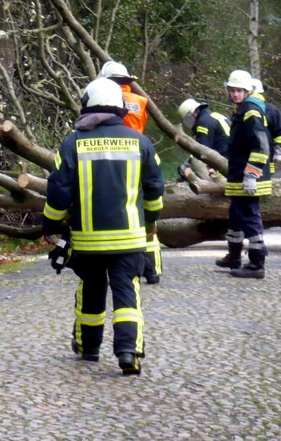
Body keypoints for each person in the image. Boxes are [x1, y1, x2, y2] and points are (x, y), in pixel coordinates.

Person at [43, 77, 164, 375]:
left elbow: (58, 190)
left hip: (88, 242)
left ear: (88, 105)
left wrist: (51, 224)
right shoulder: (141, 141)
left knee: (92, 292)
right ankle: (128, 352)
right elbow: (155, 190)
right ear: (120, 108)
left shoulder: (73, 142)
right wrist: (150, 224)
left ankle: (89, 348)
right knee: (126, 294)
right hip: (130, 240)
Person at [100, 60, 160, 285]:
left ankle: (113, 259)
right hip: (140, 155)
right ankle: (152, 269)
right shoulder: (140, 101)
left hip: (114, 159)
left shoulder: (107, 101)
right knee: (146, 214)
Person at [219, 70, 272, 279]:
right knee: (235, 217)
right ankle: (234, 257)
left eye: (239, 91)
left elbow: (262, 146)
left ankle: (257, 264)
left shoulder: (251, 111)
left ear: (247, 91)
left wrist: (251, 174)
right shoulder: (241, 110)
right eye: (232, 90)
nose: (234, 94)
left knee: (249, 218)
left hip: (248, 177)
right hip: (238, 175)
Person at [176, 98, 230, 181]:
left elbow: (201, 151)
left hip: (226, 163)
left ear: (192, 113)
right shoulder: (212, 116)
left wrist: (186, 166)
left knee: (198, 167)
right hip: (234, 158)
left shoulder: (203, 122)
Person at [251, 79, 281, 174]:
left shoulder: (271, 110)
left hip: (265, 158)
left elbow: (280, 132)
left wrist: (279, 150)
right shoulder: (242, 110)